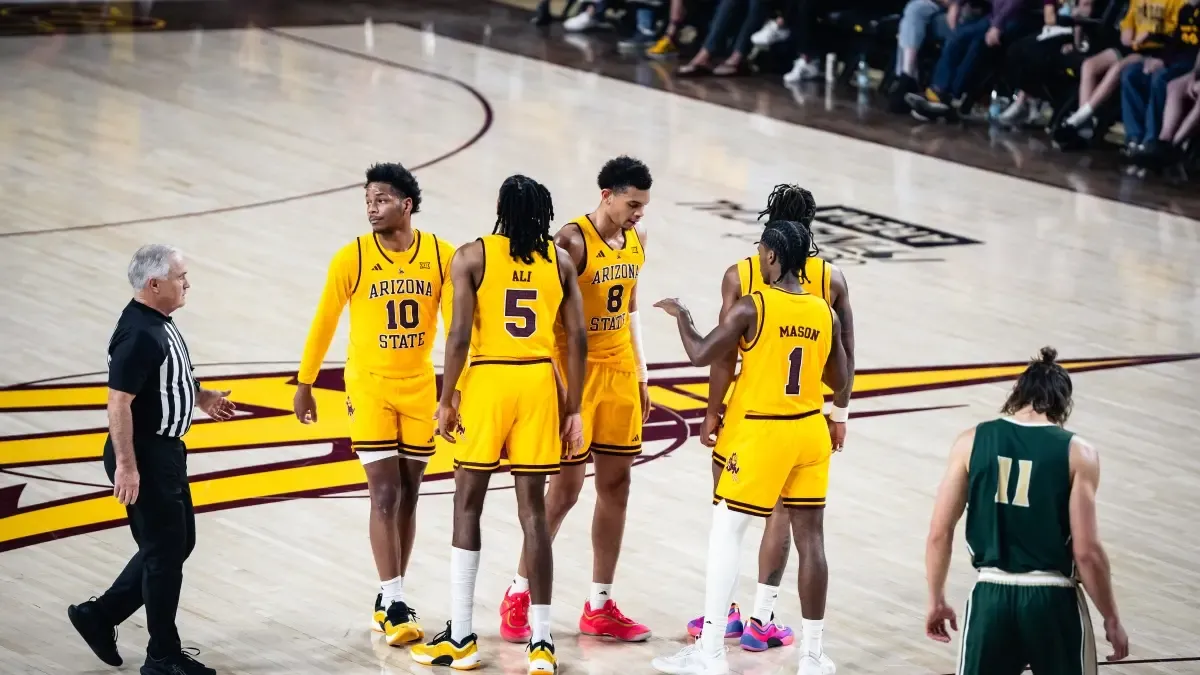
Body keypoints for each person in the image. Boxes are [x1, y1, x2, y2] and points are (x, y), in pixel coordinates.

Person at [651, 220, 850, 675]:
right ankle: (814, 656)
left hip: (763, 434)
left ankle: (711, 653)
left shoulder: (751, 307)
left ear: (774, 257)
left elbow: (702, 354)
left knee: (727, 532)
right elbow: (839, 381)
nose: (758, 257)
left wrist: (682, 314)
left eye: (761, 250)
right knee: (812, 541)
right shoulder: (825, 312)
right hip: (809, 431)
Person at [410, 175, 588, 674]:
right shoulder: (562, 260)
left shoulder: (471, 256)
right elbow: (576, 339)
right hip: (537, 384)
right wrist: (572, 407)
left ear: (501, 210)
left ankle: (462, 635)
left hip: (489, 381)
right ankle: (542, 642)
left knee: (467, 505)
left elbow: (460, 333)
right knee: (534, 514)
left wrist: (447, 398)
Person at [292, 163, 456, 646]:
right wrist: (305, 381)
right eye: (367, 200)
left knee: (409, 493)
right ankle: (396, 596)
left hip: (419, 384)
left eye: (381, 199)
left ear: (406, 205)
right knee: (383, 493)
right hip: (369, 385)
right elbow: (324, 319)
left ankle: (389, 599)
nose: (371, 208)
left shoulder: (441, 255)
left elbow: (458, 329)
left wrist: (456, 388)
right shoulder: (353, 257)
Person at [498, 156, 655, 644]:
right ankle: (518, 591)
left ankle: (600, 605)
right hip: (576, 375)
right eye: (633, 204)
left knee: (617, 487)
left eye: (644, 206)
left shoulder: (637, 240)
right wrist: (562, 396)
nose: (639, 215)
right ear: (606, 194)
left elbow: (629, 308)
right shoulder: (569, 241)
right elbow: (548, 323)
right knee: (564, 492)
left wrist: (643, 374)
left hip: (620, 372)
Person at [68, 244, 235, 675]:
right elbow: (118, 404)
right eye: (181, 277)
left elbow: (167, 378)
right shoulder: (139, 334)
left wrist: (201, 397)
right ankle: (161, 656)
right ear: (154, 283)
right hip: (144, 453)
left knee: (177, 544)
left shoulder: (159, 322)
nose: (188, 283)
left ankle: (100, 615)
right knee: (163, 553)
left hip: (167, 452)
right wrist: (127, 466)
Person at [924, 347, 1130, 674]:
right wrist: (1111, 616)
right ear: (1063, 403)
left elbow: (938, 534)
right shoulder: (1079, 453)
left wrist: (936, 599)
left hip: (990, 597)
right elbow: (1087, 552)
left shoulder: (970, 441)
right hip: (1053, 600)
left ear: (1018, 393)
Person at [1057, 0, 1188, 141]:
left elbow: (1175, 32)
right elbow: (1128, 21)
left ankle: (1080, 116)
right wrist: (1127, 31)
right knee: (1089, 65)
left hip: (1153, 50)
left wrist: (1152, 34)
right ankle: (1085, 125)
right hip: (1131, 46)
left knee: (1119, 68)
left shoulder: (1176, 2)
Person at [1121, 0, 1200, 157]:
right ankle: (1134, 137)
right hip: (1174, 59)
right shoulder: (1186, 10)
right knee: (1131, 74)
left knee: (1160, 79)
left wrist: (1166, 63)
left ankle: (1152, 140)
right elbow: (1174, 43)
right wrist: (1161, 60)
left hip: (1190, 64)